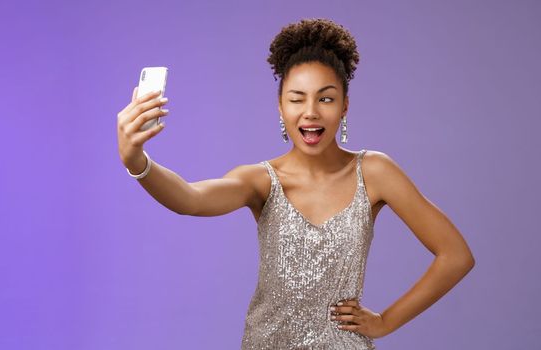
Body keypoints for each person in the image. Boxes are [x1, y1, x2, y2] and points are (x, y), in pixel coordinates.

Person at [115, 18, 474, 349]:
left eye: (326, 98)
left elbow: (456, 256)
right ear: (280, 107)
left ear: (345, 106)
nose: (311, 112)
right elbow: (190, 199)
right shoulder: (260, 180)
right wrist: (137, 161)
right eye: (297, 98)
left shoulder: (374, 172)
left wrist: (385, 322)